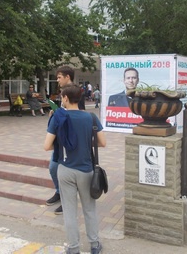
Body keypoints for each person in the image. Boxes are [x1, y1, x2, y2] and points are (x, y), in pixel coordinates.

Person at [43, 84, 106, 254]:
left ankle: (73, 248)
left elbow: (47, 146)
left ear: (65, 98)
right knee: (89, 209)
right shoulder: (91, 118)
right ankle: (94, 245)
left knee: (69, 212)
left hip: (65, 170)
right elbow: (102, 143)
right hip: (86, 170)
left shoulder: (58, 117)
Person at [44, 66, 85, 215]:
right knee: (53, 167)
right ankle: (59, 193)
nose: (57, 80)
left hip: (70, 139)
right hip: (59, 138)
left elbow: (79, 113)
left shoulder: (75, 93)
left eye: (60, 77)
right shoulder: (63, 93)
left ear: (68, 77)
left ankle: (67, 199)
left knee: (63, 170)